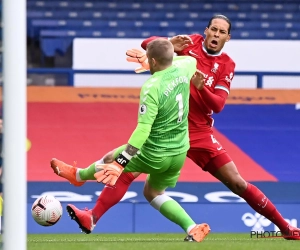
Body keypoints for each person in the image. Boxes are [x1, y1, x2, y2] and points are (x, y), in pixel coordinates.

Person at [51, 15, 300, 240]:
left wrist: (202, 88)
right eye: (213, 29)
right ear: (206, 31)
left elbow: (219, 105)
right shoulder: (189, 44)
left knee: (237, 183)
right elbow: (150, 45)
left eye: (221, 32)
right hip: (169, 129)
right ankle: (89, 205)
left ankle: (285, 228)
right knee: (125, 171)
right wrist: (171, 41)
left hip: (199, 132)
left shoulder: (226, 64)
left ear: (228, 38)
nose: (215, 34)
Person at [51, 38, 211, 242]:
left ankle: (79, 176)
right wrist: (165, 50)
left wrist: (121, 162)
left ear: (152, 61)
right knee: (153, 192)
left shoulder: (152, 86)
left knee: (111, 160)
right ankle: (192, 227)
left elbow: (143, 130)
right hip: (179, 152)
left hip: (155, 152)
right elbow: (182, 60)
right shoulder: (187, 65)